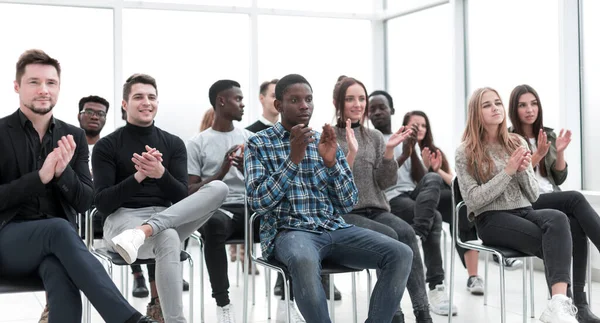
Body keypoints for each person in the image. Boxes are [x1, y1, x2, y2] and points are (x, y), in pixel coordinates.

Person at [0, 49, 157, 323]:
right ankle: (129, 320)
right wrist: (41, 177)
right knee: (59, 229)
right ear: (17, 86)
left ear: (59, 87)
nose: (43, 90)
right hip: (8, 239)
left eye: (51, 83)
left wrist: (63, 175)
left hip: (59, 245)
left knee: (60, 272)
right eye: (34, 82)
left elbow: (85, 202)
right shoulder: (1, 132)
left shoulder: (73, 135)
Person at [245, 73, 413, 323]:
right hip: (289, 232)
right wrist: (293, 159)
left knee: (401, 253)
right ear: (279, 106)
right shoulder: (259, 143)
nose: (304, 106)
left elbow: (347, 202)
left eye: (309, 99)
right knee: (302, 259)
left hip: (333, 227)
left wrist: (332, 162)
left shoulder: (322, 142)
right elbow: (258, 202)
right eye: (295, 100)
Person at [93, 73, 228, 323]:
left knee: (219, 188)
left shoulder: (173, 144)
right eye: (138, 97)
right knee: (167, 236)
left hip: (168, 218)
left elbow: (180, 197)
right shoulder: (107, 146)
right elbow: (102, 203)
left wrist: (160, 173)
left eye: (151, 97)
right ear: (125, 104)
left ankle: (145, 231)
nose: (146, 102)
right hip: (123, 223)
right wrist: (139, 177)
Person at [455, 86, 578, 323]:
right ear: (476, 113)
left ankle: (559, 305)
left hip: (524, 211)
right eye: (487, 105)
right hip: (490, 219)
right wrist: (509, 171)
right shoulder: (466, 151)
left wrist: (523, 170)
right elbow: (474, 200)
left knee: (559, 219)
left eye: (498, 103)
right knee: (553, 243)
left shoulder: (517, 141)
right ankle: (563, 310)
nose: (495, 108)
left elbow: (532, 195)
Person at [333, 78, 433, 323]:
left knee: (407, 233)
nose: (357, 104)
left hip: (377, 208)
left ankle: (423, 313)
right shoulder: (328, 136)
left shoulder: (375, 136)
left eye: (361, 99)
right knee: (388, 236)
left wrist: (389, 151)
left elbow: (386, 182)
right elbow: (331, 184)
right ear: (338, 103)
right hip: (347, 213)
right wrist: (351, 154)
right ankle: (393, 314)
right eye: (350, 99)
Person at [508, 84, 600, 322]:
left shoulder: (547, 134)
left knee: (576, 225)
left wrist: (559, 152)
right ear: (514, 109)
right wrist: (536, 154)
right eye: (523, 105)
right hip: (527, 201)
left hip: (549, 196)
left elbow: (558, 177)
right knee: (576, 198)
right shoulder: (508, 138)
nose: (530, 110)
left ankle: (577, 305)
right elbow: (514, 180)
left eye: (533, 103)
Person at [367, 91, 457, 316]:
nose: (378, 112)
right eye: (373, 109)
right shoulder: (371, 141)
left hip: (411, 194)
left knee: (433, 177)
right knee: (435, 218)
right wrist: (402, 155)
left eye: (382, 107)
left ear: (392, 111)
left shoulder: (404, 137)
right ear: (368, 114)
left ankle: (418, 233)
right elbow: (380, 180)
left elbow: (418, 177)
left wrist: (411, 150)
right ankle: (436, 285)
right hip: (390, 198)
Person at [187, 79, 257, 323]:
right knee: (214, 224)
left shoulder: (251, 138)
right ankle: (223, 304)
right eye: (237, 99)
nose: (242, 104)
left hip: (249, 209)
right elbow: (190, 190)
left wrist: (247, 170)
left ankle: (289, 299)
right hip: (218, 210)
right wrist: (221, 172)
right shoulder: (198, 143)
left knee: (284, 220)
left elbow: (266, 184)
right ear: (221, 101)